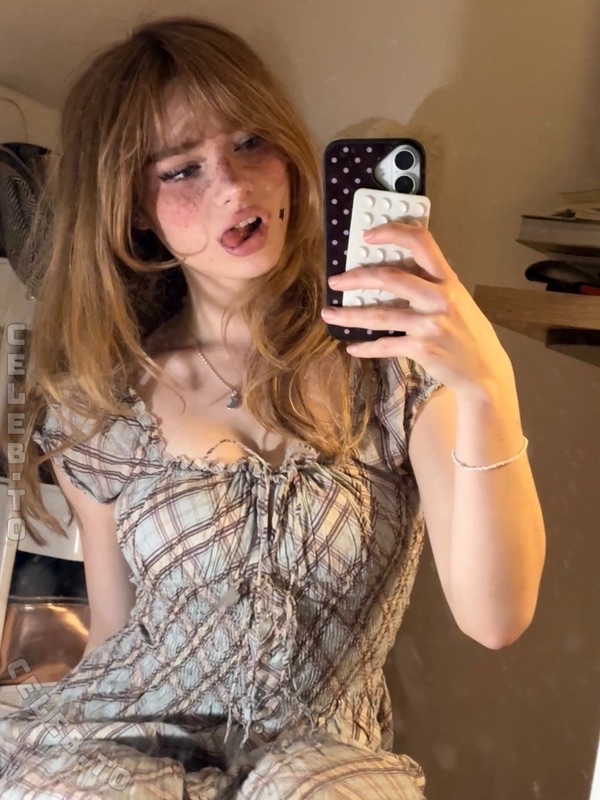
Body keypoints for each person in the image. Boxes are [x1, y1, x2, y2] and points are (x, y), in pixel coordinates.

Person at [0, 16, 545, 800]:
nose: (233, 185)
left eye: (250, 142)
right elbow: (115, 632)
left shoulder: (394, 371)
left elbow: (495, 618)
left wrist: (488, 383)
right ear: (135, 208)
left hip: (324, 758)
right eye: (182, 170)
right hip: (117, 742)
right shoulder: (108, 401)